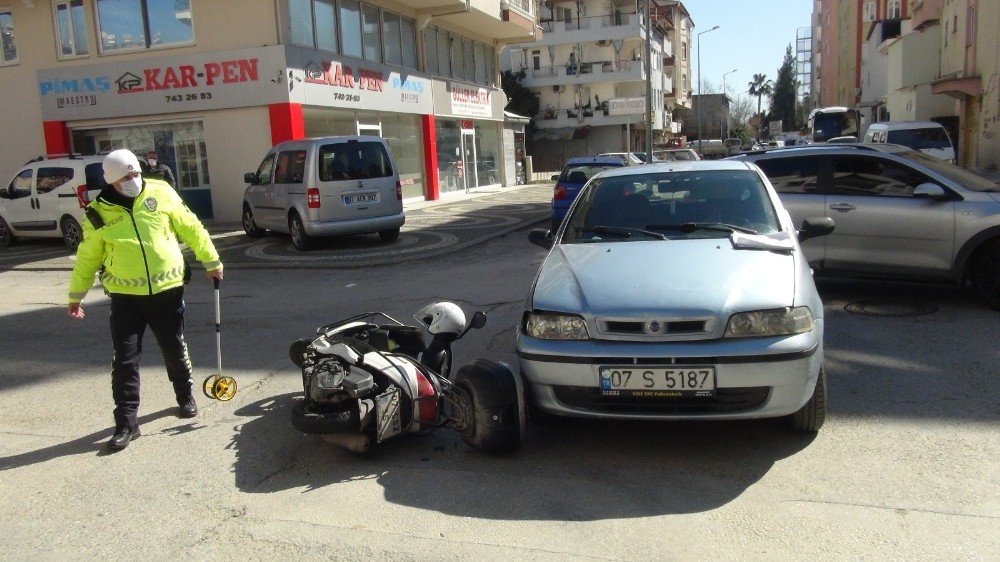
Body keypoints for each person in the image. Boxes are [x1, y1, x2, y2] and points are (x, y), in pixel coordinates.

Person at [67, 149, 223, 451]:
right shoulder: (98, 211)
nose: (134, 179)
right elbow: (88, 256)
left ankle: (184, 395)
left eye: (136, 172)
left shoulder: (161, 191)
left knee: (174, 347)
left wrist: (211, 261)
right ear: (112, 181)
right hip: (126, 297)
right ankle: (126, 422)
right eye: (127, 176)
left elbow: (190, 226)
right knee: (125, 360)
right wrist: (77, 294)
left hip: (168, 289)